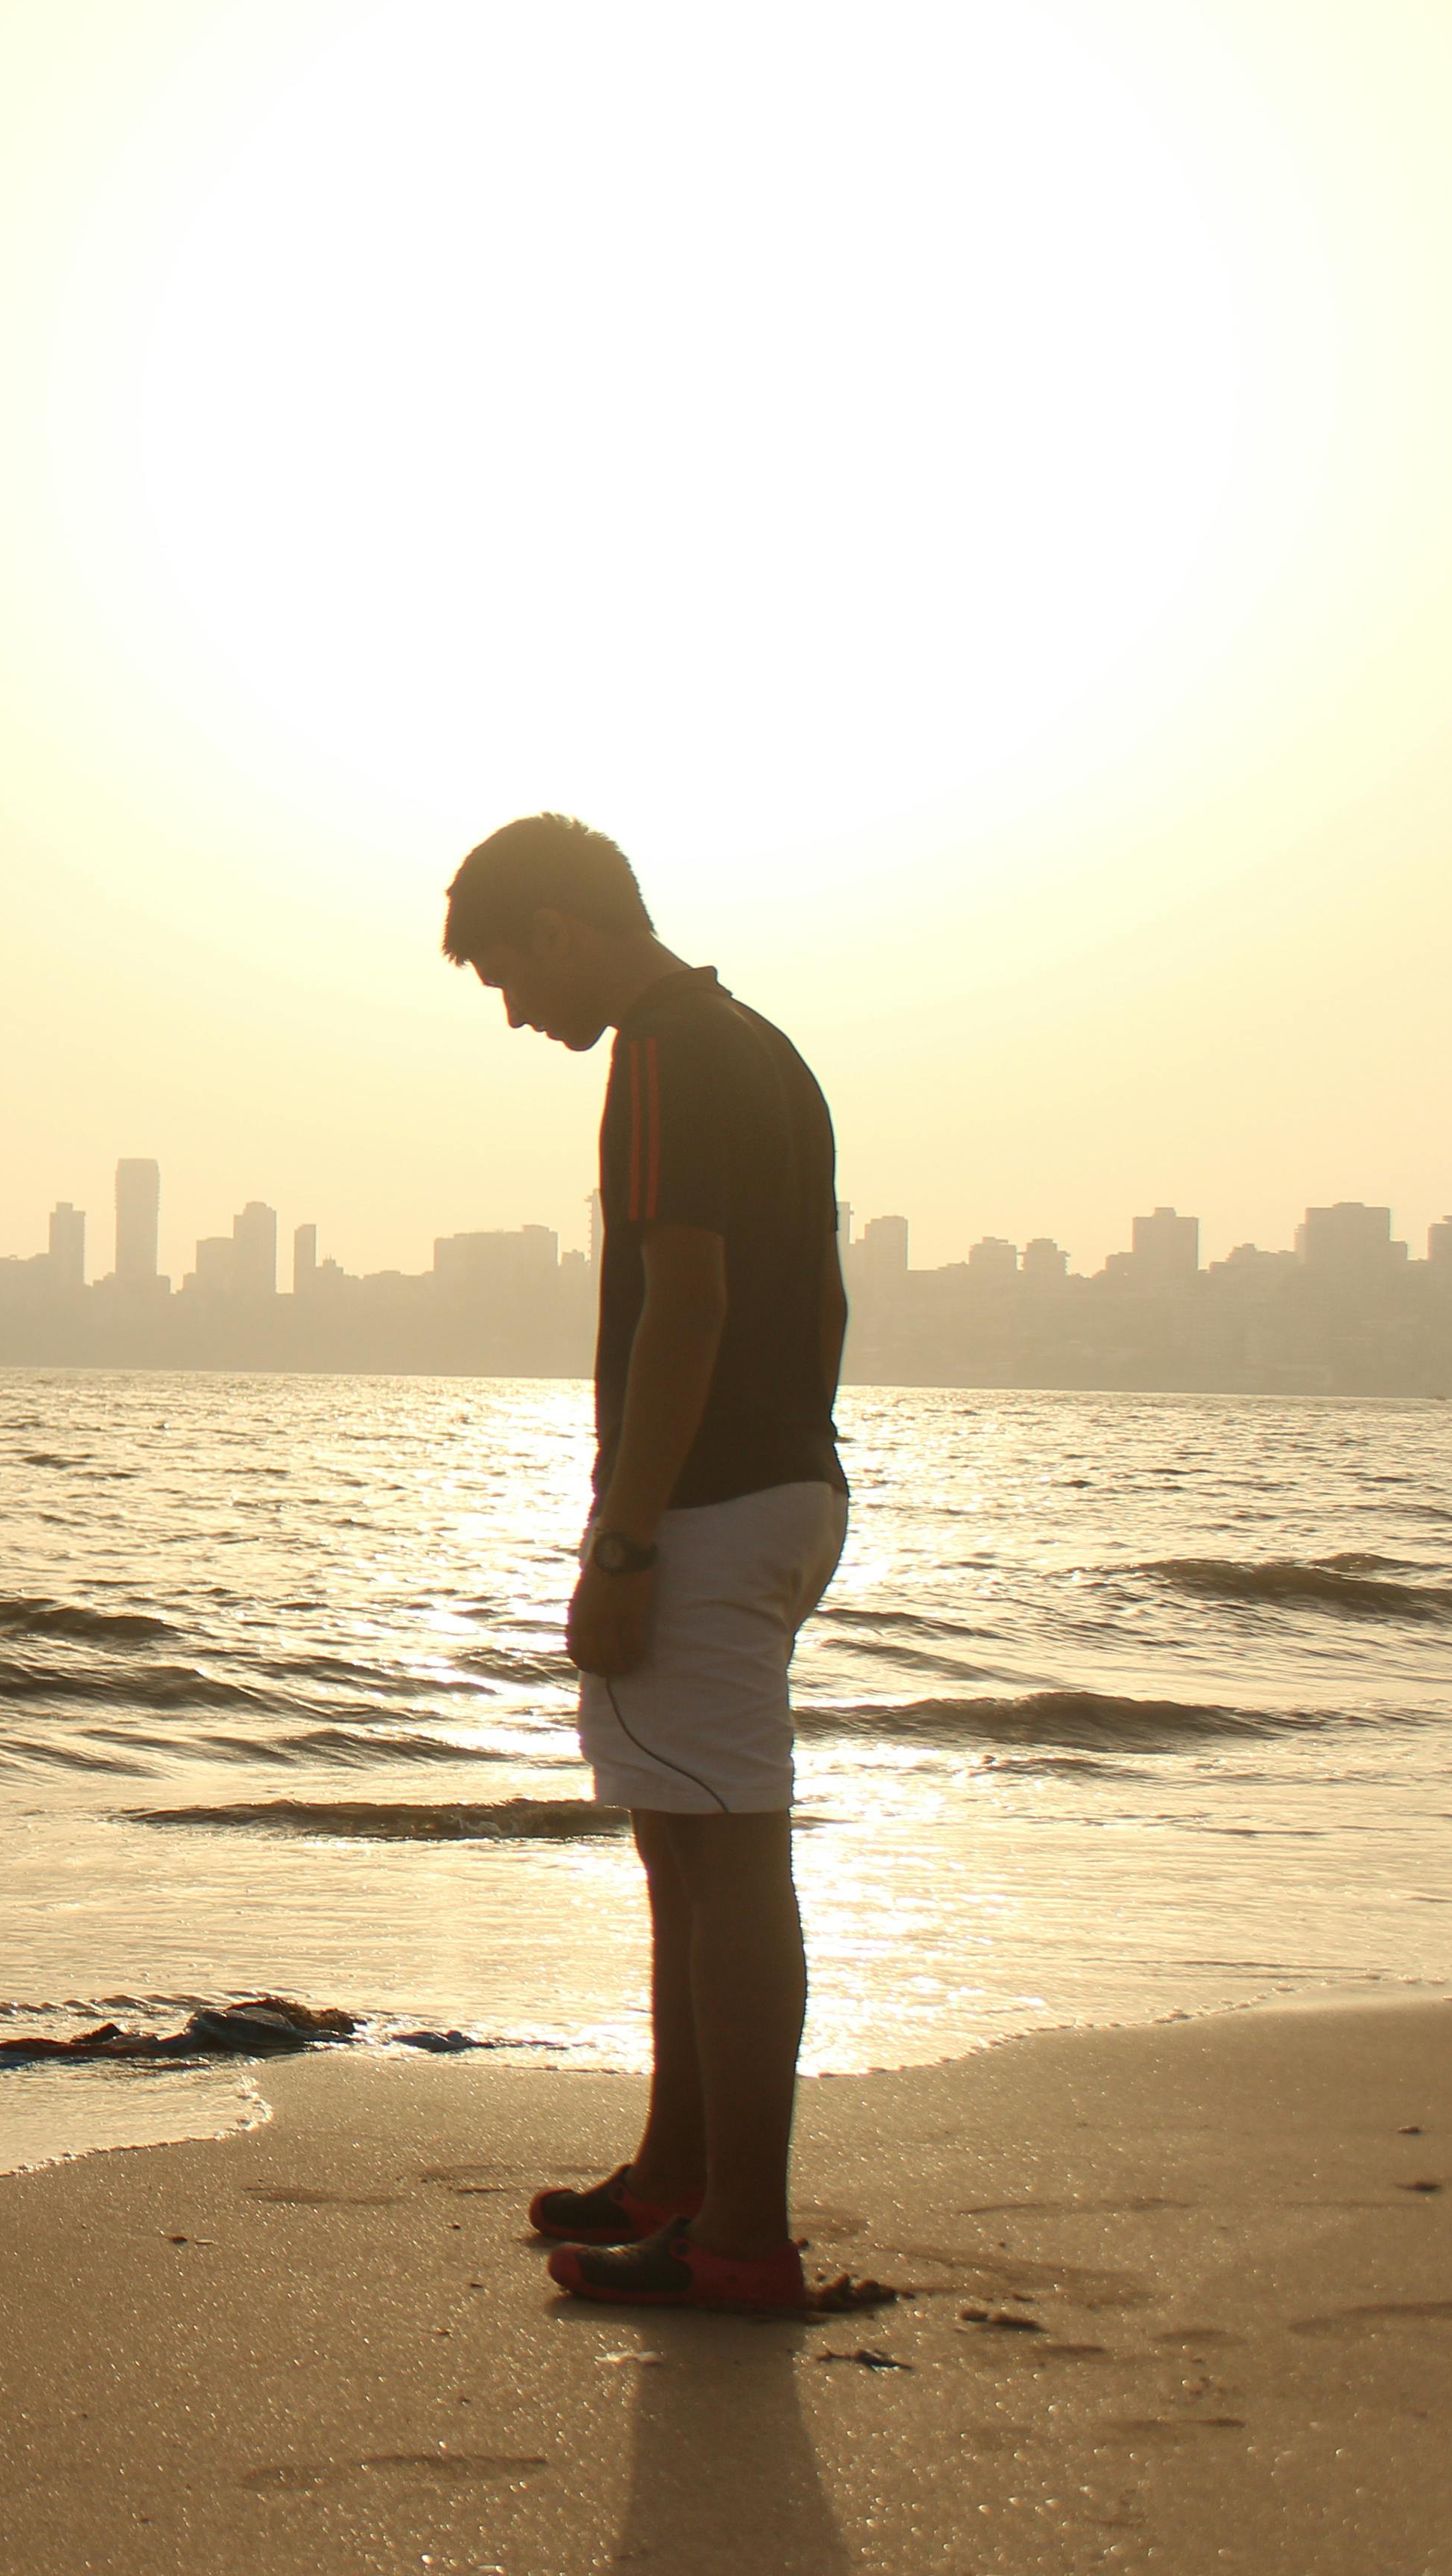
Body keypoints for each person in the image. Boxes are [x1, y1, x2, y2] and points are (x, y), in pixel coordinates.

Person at [441, 813, 851, 2315]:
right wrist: (808, 1461)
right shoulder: (765, 1047)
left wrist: (627, 1537)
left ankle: (741, 2232)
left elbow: (688, 1304)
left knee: (728, 1856)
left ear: (559, 927)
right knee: (687, 1842)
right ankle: (683, 2173)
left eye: (503, 970)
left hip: (713, 1503)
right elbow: (821, 1299)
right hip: (783, 1484)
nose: (511, 1007)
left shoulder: (664, 1053)